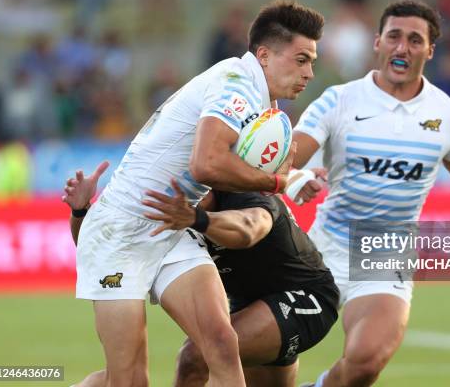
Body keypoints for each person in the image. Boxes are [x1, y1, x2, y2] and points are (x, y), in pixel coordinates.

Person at [68, 0, 324, 387]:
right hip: (120, 231)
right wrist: (277, 182)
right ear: (265, 55)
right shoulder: (236, 85)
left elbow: (238, 164)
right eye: (302, 59)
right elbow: (206, 164)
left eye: (313, 62)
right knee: (128, 380)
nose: (309, 72)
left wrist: (296, 175)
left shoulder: (261, 101)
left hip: (171, 224)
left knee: (221, 343)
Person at [289, 0, 450, 386]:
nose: (402, 48)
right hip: (321, 249)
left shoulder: (449, 115)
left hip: (385, 255)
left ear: (430, 50)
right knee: (264, 353)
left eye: (415, 40)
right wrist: (295, 177)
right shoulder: (340, 99)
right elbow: (287, 156)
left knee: (365, 363)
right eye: (394, 37)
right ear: (377, 42)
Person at [65, 162, 339, 387]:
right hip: (249, 309)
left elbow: (250, 227)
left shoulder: (243, 194)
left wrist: (198, 219)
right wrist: (81, 211)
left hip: (307, 298)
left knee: (196, 356)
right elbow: (108, 250)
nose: (184, 195)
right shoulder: (169, 208)